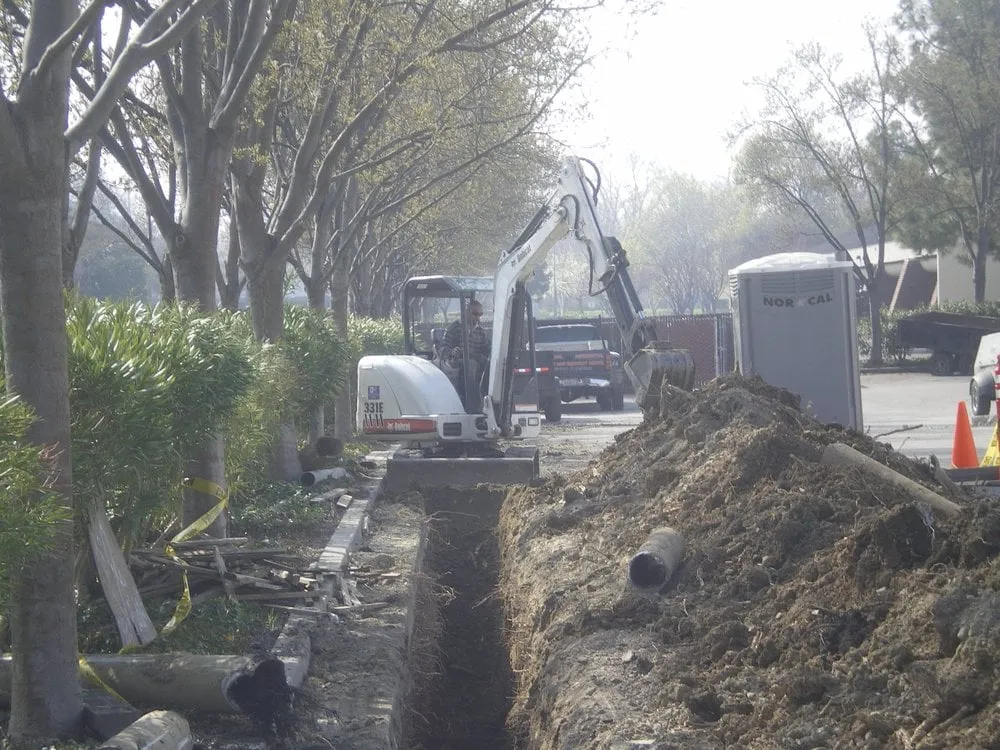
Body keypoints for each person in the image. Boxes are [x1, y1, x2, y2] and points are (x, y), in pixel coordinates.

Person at [442, 299, 490, 368]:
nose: (478, 317)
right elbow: (443, 348)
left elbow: (486, 350)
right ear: (466, 312)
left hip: (477, 363)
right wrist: (452, 352)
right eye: (475, 314)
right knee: (471, 364)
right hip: (457, 365)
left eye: (480, 314)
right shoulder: (454, 328)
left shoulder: (481, 331)